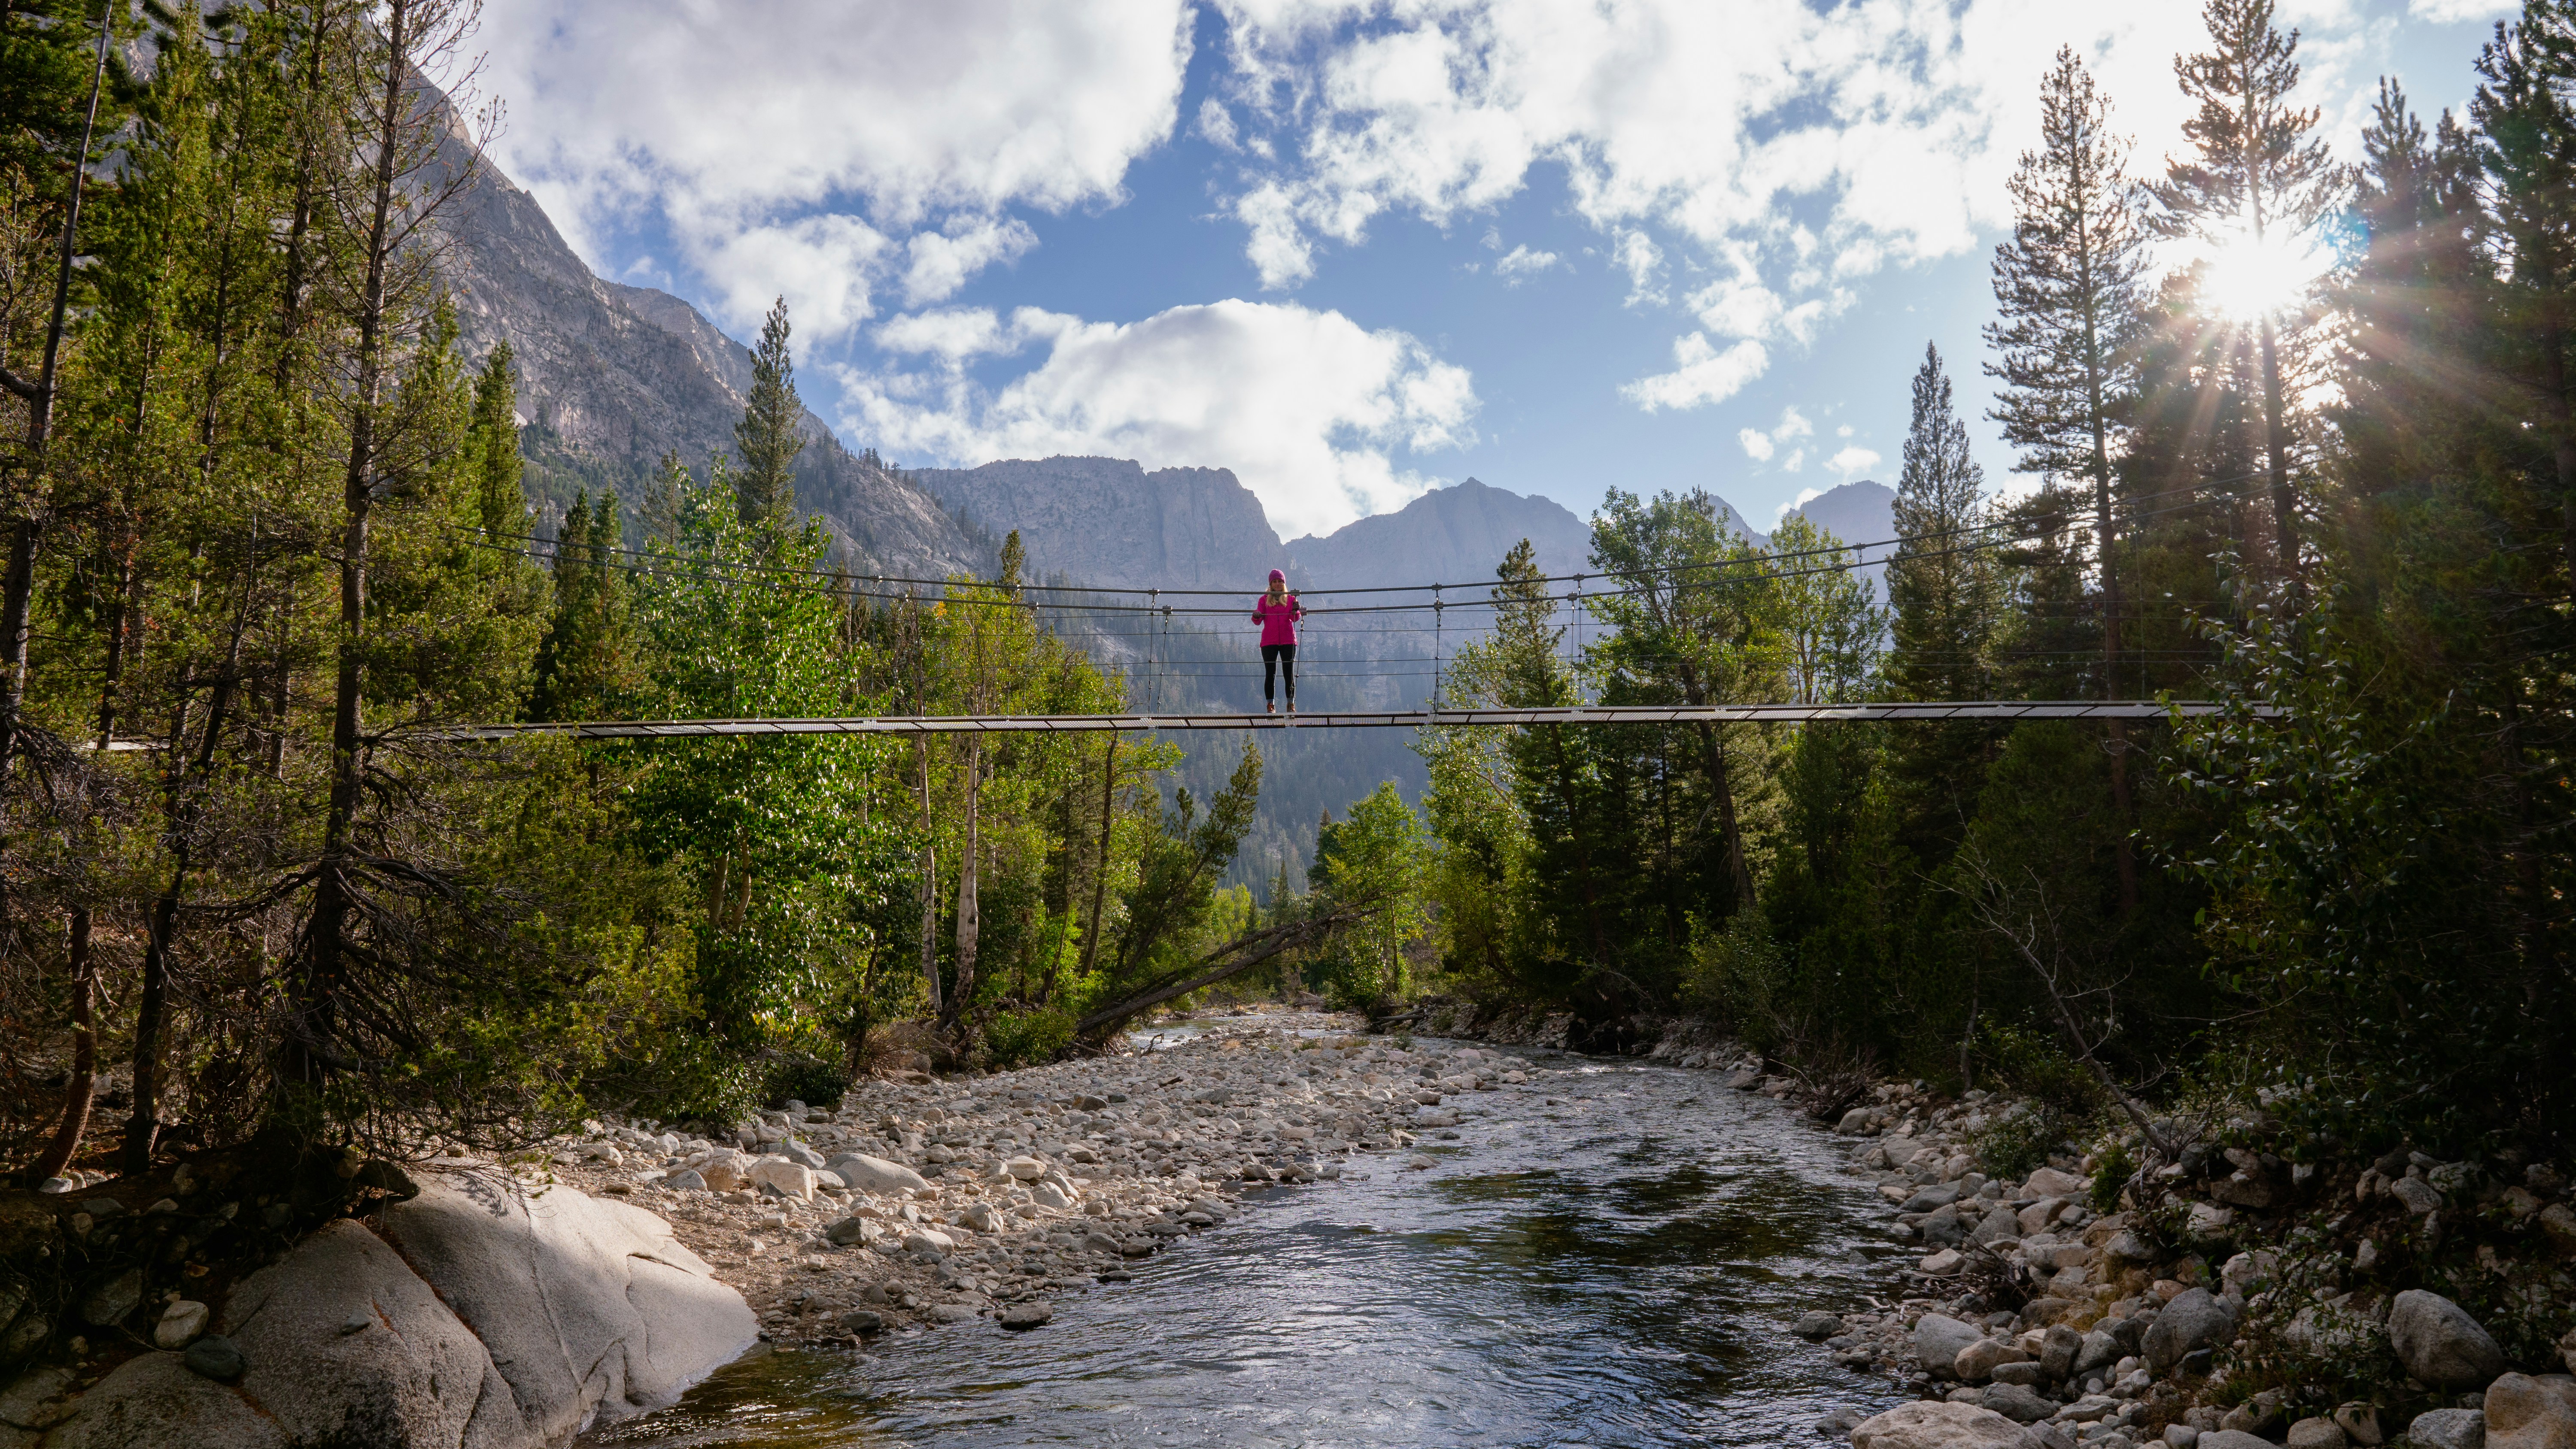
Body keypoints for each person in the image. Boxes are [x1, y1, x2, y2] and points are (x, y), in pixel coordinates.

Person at [1251, 568, 1305, 714]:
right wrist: (1256, 616)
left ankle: (1290, 705)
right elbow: (1258, 621)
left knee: (1289, 673)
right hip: (1269, 641)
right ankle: (1271, 705)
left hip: (1288, 640)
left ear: (1284, 583)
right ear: (1270, 584)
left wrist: (1296, 611)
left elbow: (1294, 619)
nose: (1277, 584)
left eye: (1280, 581)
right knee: (1271, 673)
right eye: (1274, 582)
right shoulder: (1264, 600)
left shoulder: (1290, 599)